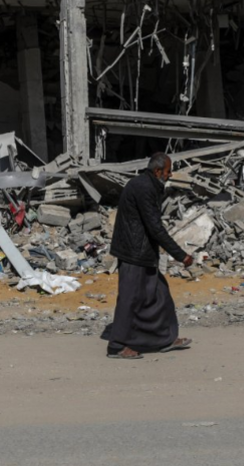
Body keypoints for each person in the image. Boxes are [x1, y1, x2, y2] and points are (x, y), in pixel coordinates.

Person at [102, 152, 194, 359]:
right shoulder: (144, 188)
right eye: (168, 171)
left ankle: (164, 339)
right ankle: (116, 346)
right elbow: (155, 228)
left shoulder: (147, 185)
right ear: (157, 171)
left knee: (159, 296)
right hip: (134, 253)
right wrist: (181, 255)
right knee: (129, 299)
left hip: (142, 251)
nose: (170, 175)